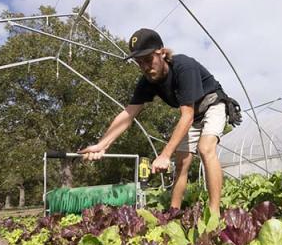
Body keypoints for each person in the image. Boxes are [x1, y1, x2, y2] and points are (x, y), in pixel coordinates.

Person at [79, 28, 241, 215]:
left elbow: (186, 116)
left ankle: (214, 214)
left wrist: (164, 155)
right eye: (140, 62)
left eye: (149, 60)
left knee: (205, 148)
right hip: (193, 116)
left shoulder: (183, 67)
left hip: (213, 104)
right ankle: (173, 213)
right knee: (181, 162)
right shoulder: (147, 81)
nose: (145, 66)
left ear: (162, 53)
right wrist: (102, 144)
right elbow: (128, 114)